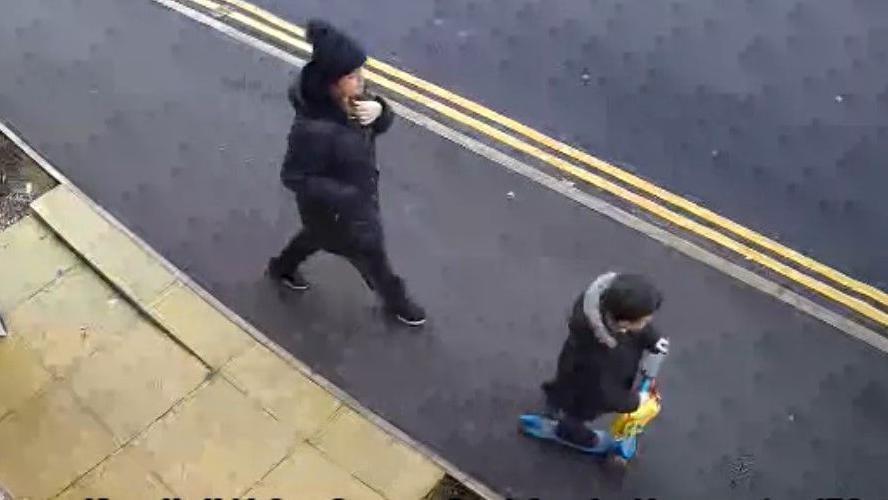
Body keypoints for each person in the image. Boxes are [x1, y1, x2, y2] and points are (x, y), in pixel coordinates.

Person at [267, 19, 426, 327]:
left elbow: (378, 126)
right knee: (372, 256)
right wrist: (348, 196)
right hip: (342, 212)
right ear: (332, 84)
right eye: (352, 76)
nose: (361, 81)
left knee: (314, 236)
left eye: (360, 73)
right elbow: (294, 176)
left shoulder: (353, 102)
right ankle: (398, 303)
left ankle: (281, 268)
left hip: (342, 209)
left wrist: (381, 111)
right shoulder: (313, 130)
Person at [541, 271, 670, 449]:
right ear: (624, 323)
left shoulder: (604, 307)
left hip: (573, 368)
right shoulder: (599, 356)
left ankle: (554, 401)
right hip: (586, 389)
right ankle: (569, 432)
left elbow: (641, 329)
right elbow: (606, 394)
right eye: (644, 321)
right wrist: (636, 401)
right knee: (578, 412)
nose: (647, 324)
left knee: (563, 388)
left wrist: (653, 339)